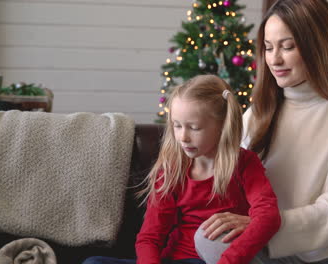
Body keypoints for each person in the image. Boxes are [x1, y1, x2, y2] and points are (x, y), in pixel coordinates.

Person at [195, 0, 328, 263]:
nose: (275, 59)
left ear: (318, 47)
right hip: (276, 244)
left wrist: (262, 227)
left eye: (287, 47)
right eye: (268, 48)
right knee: (208, 238)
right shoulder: (259, 113)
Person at [82, 74, 281, 264]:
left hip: (211, 259)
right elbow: (150, 237)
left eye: (194, 128)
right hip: (172, 259)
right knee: (93, 262)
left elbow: (268, 216)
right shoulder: (172, 170)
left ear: (222, 126)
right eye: (177, 126)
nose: (183, 137)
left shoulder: (245, 164)